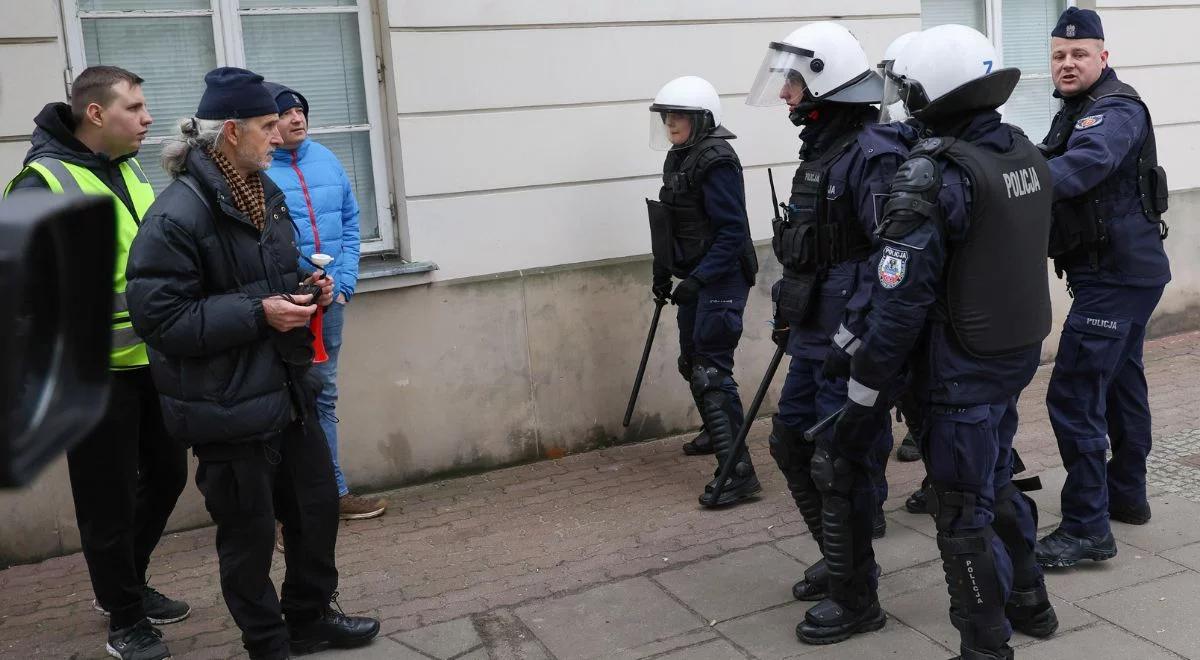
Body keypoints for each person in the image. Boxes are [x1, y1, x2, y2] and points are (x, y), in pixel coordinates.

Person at [125, 67, 379, 660]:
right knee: (249, 538)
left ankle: (310, 618)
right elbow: (161, 321)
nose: (280, 135)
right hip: (227, 407)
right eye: (268, 126)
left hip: (289, 390)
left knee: (315, 512)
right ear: (232, 132)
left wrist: (304, 287)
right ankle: (267, 644)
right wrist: (260, 312)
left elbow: (272, 276)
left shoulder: (265, 195)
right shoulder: (176, 217)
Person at [855, 25, 1059, 659]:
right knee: (994, 481)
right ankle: (1031, 600)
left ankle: (986, 644)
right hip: (1010, 354)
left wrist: (864, 387)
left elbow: (898, 302)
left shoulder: (933, 175)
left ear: (929, 93)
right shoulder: (1018, 147)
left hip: (958, 369)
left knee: (962, 511)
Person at [4, 65, 189, 660]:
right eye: (134, 108)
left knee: (166, 477)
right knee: (106, 500)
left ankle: (122, 588)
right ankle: (126, 619)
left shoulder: (127, 168)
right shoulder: (41, 183)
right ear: (95, 114)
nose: (148, 118)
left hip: (151, 361)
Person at [745, 22, 905, 644]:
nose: (785, 94)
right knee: (789, 445)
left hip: (846, 344)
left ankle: (858, 597)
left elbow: (889, 256)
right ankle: (839, 561)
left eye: (792, 80)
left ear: (824, 82)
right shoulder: (823, 148)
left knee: (841, 464)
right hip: (811, 334)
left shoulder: (872, 152)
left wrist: (854, 335)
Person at [1035, 7, 1171, 569]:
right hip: (1125, 274)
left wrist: (1008, 188)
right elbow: (1052, 157)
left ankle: (1087, 527)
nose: (1067, 64)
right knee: (1120, 386)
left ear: (1103, 57)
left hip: (1114, 279)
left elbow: (1081, 167)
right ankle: (1127, 496)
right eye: (1059, 56)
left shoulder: (1113, 110)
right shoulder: (1077, 109)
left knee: (1072, 395)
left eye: (1079, 54)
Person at [263, 82, 385, 521]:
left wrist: (345, 282)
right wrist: (299, 282)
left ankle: (333, 493)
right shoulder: (258, 169)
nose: (296, 118)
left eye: (300, 110)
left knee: (324, 395)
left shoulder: (327, 159)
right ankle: (284, 510)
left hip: (329, 303)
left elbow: (351, 222)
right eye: (284, 113)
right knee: (279, 400)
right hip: (283, 305)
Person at [646, 75, 760, 507]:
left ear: (702, 119)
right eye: (666, 116)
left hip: (723, 276)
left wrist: (698, 279)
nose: (670, 124)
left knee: (711, 369)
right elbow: (671, 221)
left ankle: (739, 472)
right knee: (691, 360)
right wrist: (664, 271)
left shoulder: (717, 160)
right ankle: (718, 431)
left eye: (678, 116)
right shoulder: (679, 158)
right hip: (698, 274)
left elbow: (732, 232)